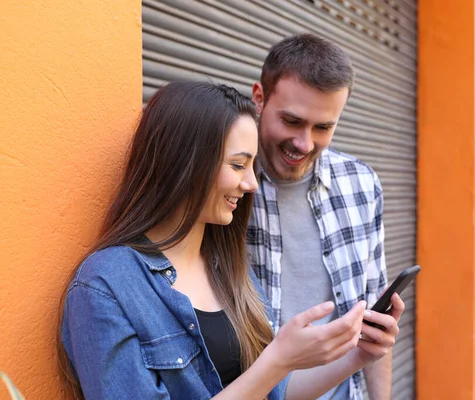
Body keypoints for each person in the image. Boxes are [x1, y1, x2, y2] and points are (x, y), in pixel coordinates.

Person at [57, 81, 399, 400]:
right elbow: (269, 374)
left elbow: (275, 390)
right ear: (186, 163)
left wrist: (357, 356)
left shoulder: (226, 265)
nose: (251, 183)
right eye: (238, 165)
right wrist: (278, 360)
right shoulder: (105, 286)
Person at [248, 34, 404, 400]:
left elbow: (373, 319)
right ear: (259, 97)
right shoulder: (225, 185)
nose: (304, 143)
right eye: (291, 121)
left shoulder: (361, 184)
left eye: (323, 128)